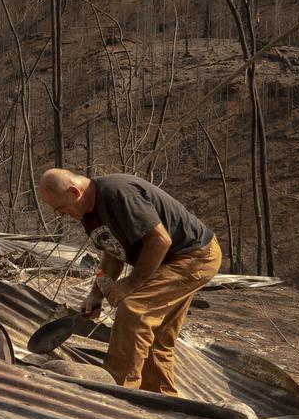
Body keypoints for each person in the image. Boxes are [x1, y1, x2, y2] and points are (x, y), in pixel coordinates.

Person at [35, 168, 221, 395]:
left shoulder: (118, 194)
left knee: (134, 310)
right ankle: (159, 399)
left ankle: (116, 392)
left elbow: (160, 241)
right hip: (166, 261)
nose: (60, 215)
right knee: (158, 335)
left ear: (75, 192)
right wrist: (96, 294)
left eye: (61, 209)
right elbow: (113, 252)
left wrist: (129, 285)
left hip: (194, 256)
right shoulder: (89, 215)